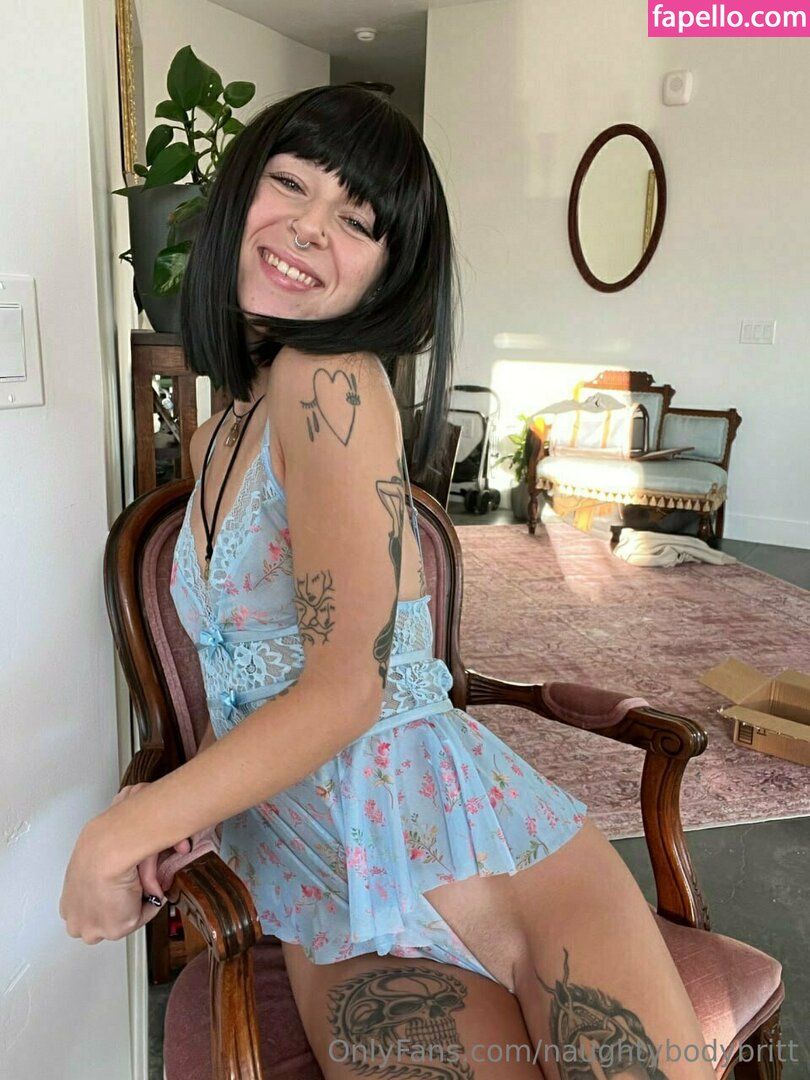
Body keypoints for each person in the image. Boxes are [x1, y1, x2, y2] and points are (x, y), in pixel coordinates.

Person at [61, 84, 716, 1078]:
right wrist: (187, 804)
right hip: (330, 894)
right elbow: (253, 685)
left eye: (357, 220)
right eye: (290, 183)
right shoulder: (216, 439)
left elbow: (347, 689)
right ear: (240, 196)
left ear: (388, 270)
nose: (309, 226)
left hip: (496, 854)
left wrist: (116, 834)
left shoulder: (328, 379)